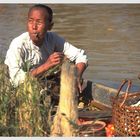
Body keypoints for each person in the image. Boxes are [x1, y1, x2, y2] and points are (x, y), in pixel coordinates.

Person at [4, 4, 88, 94]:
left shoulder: (53, 38)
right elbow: (16, 80)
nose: (33, 27)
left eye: (39, 23)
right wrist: (47, 65)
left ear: (50, 26)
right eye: (30, 21)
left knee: (68, 67)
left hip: (42, 81)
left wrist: (77, 76)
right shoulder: (18, 44)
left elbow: (81, 56)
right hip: (18, 89)